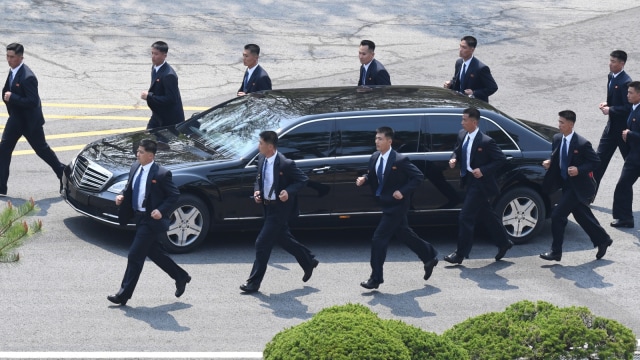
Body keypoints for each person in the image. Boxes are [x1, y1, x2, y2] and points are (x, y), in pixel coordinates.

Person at [108, 139, 191, 306]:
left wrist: (161, 210)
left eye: (141, 152)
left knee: (134, 255)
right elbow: (130, 188)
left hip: (151, 220)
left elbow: (173, 195)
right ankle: (181, 276)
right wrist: (122, 197)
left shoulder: (161, 174)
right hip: (138, 217)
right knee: (154, 253)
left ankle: (123, 295)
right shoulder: (134, 167)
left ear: (151, 156)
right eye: (137, 151)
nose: (137, 154)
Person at [355, 126, 438, 289]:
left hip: (397, 206)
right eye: (376, 138)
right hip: (385, 203)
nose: (376, 142)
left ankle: (375, 278)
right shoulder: (374, 157)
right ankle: (429, 256)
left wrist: (403, 191)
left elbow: (418, 176)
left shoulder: (400, 160)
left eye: (380, 139)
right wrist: (364, 179)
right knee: (404, 233)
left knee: (378, 239)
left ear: (389, 141)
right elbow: (372, 174)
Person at [240, 131, 318, 293]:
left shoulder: (285, 164)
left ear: (270, 146)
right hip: (267, 206)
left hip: (280, 209)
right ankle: (308, 260)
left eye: (260, 143)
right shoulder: (262, 158)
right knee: (283, 238)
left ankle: (254, 283)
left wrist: (288, 191)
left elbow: (302, 179)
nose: (258, 146)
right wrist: (257, 191)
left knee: (262, 243)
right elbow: (259, 179)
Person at [539, 110, 613, 262]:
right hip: (565, 184)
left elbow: (595, 162)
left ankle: (556, 251)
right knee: (581, 214)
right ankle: (603, 239)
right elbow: (557, 155)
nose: (559, 125)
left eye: (562, 123)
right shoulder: (557, 138)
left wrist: (579, 170)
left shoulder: (582, 143)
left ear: (571, 125)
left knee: (557, 215)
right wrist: (550, 162)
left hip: (577, 186)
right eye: (559, 122)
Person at [444, 107, 513, 265]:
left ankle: (460, 254)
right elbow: (457, 150)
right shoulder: (462, 135)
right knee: (487, 214)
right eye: (462, 119)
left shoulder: (486, 142)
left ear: (474, 122)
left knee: (465, 217)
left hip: (481, 184)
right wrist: (454, 158)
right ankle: (504, 242)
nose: (462, 122)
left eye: (465, 120)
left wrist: (483, 170)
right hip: (468, 180)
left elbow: (500, 159)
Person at [0, 43, 65, 196]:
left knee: (42, 150)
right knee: (3, 150)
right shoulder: (14, 71)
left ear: (21, 58)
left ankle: (63, 173)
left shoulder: (28, 77)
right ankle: (1, 187)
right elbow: (7, 90)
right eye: (7, 56)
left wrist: (12, 97)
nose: (9, 60)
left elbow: (32, 101)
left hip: (30, 123)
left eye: (12, 57)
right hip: (16, 119)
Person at [594, 50, 632, 185]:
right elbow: (616, 99)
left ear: (622, 64)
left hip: (623, 132)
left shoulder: (626, 82)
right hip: (610, 130)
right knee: (598, 161)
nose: (610, 64)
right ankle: (587, 197)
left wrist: (611, 109)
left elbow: (629, 108)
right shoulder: (611, 76)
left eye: (613, 62)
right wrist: (608, 104)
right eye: (610, 60)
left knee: (632, 165)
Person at [611, 81, 640, 228]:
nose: (627, 95)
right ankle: (625, 218)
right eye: (627, 92)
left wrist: (630, 134)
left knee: (623, 185)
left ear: (639, 95)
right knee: (624, 185)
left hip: (636, 157)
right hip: (634, 156)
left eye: (630, 93)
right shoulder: (634, 108)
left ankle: (625, 217)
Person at [140, 41, 185, 129]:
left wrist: (149, 96)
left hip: (169, 120)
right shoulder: (154, 67)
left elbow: (171, 99)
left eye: (156, 54)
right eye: (152, 53)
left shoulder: (169, 75)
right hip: (158, 114)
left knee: (160, 142)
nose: (153, 57)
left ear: (164, 55)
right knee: (148, 138)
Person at [443, 36, 498, 103]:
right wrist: (450, 84)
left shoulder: (480, 68)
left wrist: (474, 93)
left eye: (464, 47)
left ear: (472, 50)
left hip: (475, 106)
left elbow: (492, 87)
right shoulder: (459, 63)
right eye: (460, 46)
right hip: (460, 102)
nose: (460, 49)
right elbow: (457, 81)